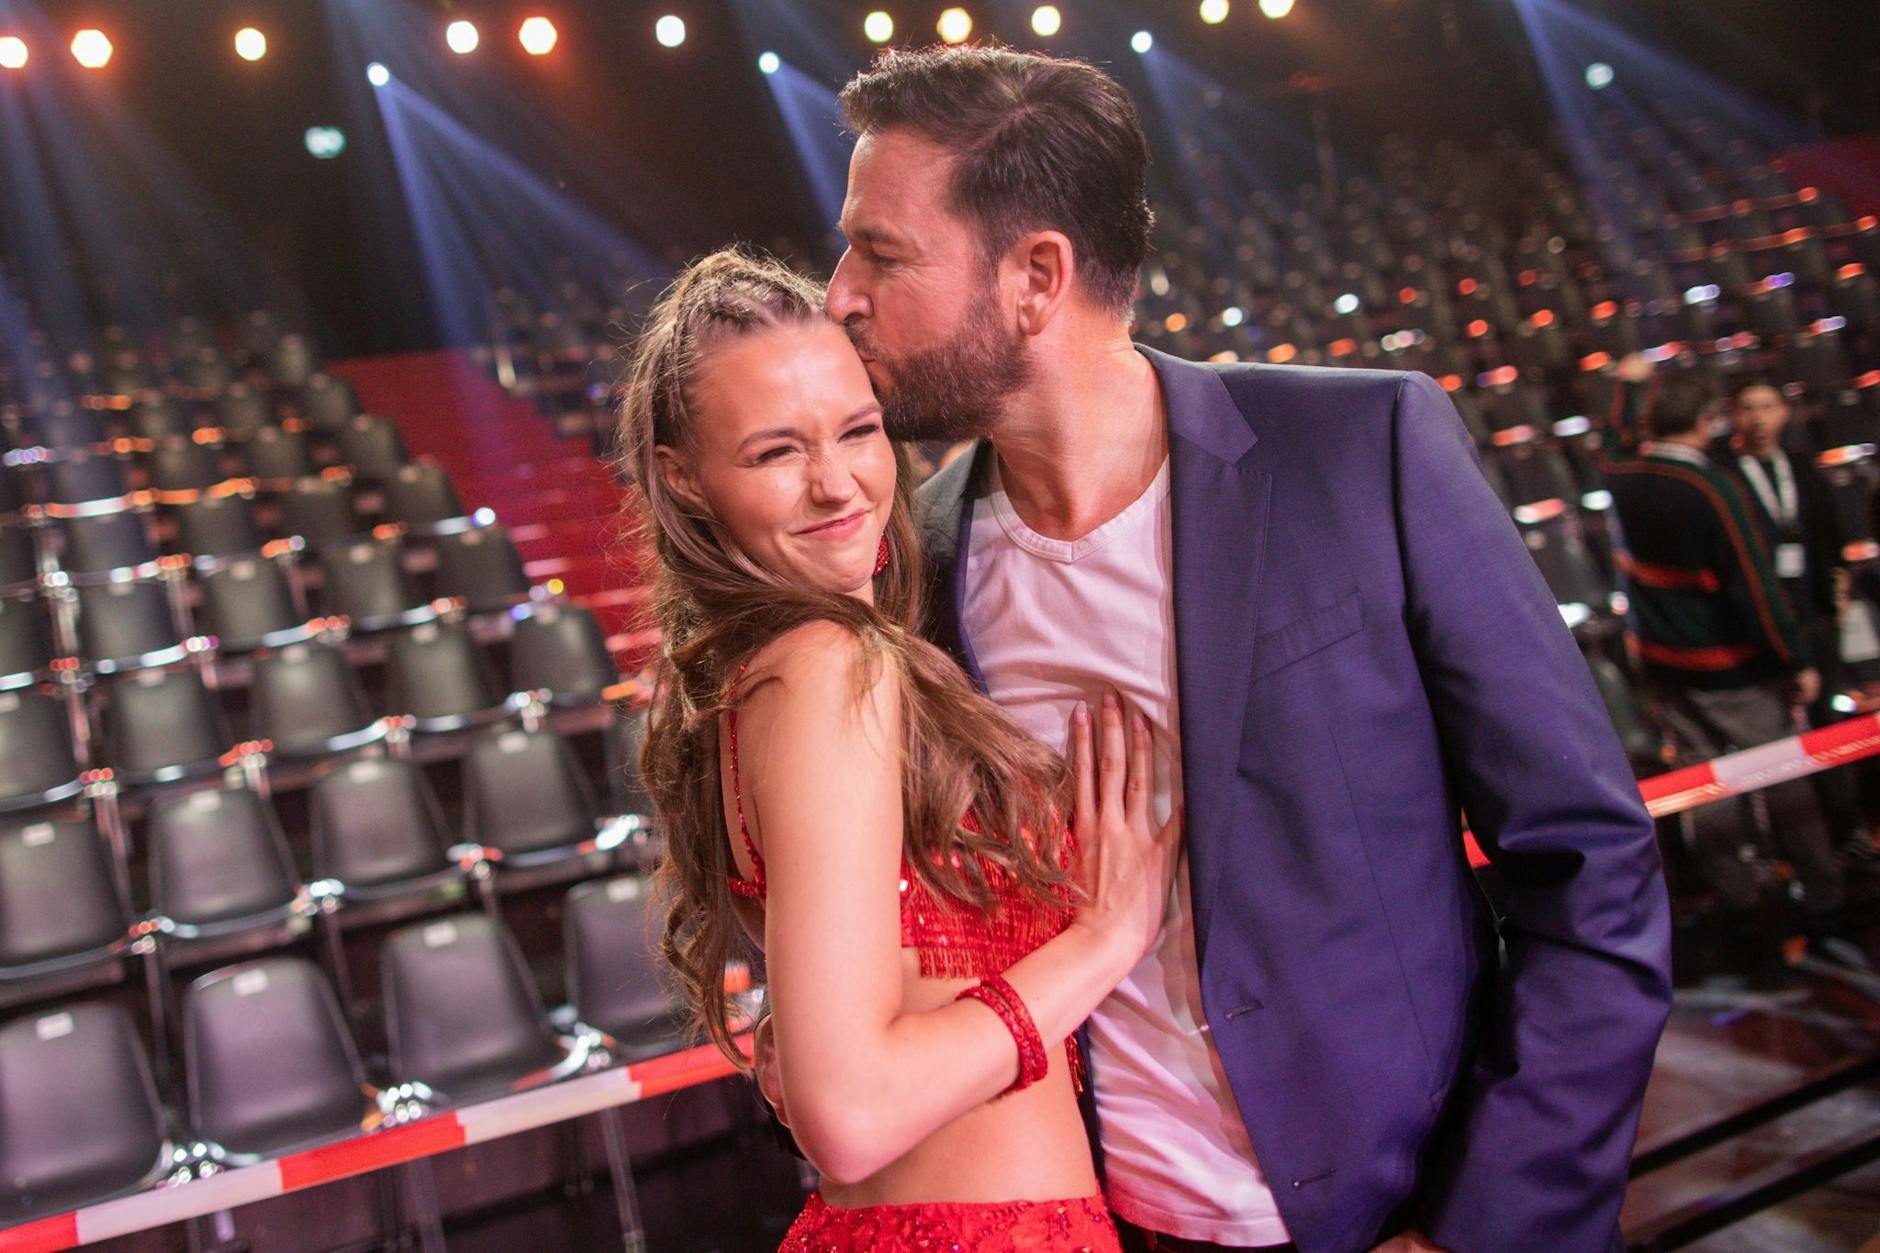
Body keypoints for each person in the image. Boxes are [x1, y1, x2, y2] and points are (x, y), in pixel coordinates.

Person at [822, 45, 1673, 1253]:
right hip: (1105, 1223)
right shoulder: (915, 568)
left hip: (1410, 1211)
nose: (838, 295)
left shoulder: (1362, 447)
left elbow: (1590, 863)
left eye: (880, 252)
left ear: (1034, 276)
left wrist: (1478, 1227)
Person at [619, 249, 1183, 1251]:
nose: (837, 484)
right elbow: (850, 1113)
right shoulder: (826, 664)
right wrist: (1104, 937)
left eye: (858, 429)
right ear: (683, 478)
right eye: (774, 452)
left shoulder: (782, 666)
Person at [1598, 370, 1849, 968]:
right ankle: (1824, 901)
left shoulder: (1623, 474)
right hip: (1731, 669)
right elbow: (1752, 588)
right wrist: (1795, 658)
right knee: (1783, 781)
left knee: (1704, 788)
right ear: (1709, 421)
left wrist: (1624, 389)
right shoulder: (1710, 486)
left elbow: (1611, 440)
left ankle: (1743, 906)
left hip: (1661, 666)